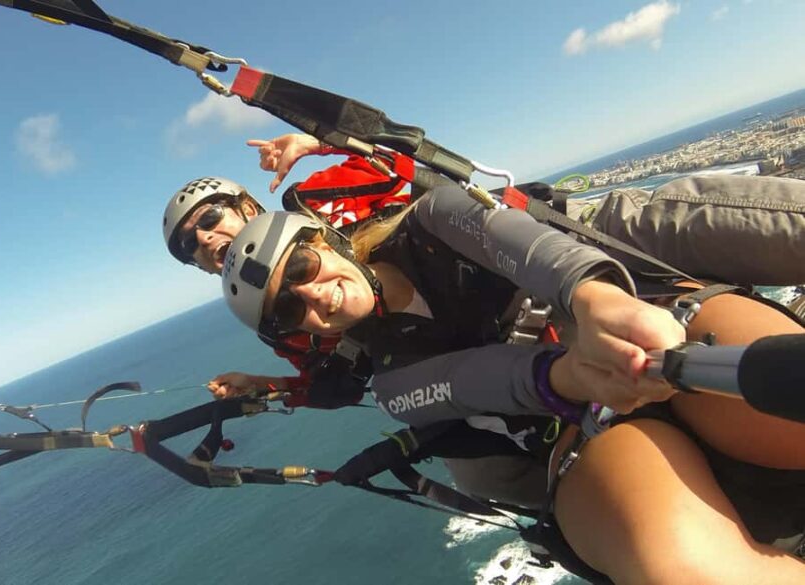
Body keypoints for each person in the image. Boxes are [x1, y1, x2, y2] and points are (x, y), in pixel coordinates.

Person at [220, 184, 805, 583]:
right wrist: (568, 374)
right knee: (679, 568)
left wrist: (595, 299)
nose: (313, 296)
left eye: (300, 269)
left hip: (653, 329)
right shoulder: (395, 379)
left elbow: (525, 247)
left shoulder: (433, 219)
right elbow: (476, 381)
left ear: (323, 240)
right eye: (289, 312)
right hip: (583, 426)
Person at [161, 133, 412, 408]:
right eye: (189, 244)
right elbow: (331, 383)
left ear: (247, 208)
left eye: (210, 218)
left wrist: (318, 144)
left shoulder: (314, 205)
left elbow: (407, 160)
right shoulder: (275, 320)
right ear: (200, 266)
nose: (203, 239)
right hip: (433, 360)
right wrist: (261, 384)